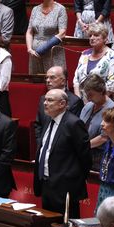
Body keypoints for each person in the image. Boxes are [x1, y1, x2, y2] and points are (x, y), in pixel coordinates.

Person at [34, 89, 91, 218]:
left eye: (50, 100)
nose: (45, 103)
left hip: (65, 188)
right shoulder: (48, 120)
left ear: (62, 104)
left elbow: (85, 157)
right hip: (46, 185)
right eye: (45, 100)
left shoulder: (74, 123)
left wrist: (74, 180)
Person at [35, 66, 84, 146]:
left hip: (63, 148)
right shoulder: (43, 99)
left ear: (63, 81)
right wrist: (40, 143)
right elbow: (38, 124)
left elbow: (74, 129)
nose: (48, 80)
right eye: (46, 78)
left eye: (52, 77)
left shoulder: (75, 101)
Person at [72, 23, 114, 100]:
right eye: (90, 35)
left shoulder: (112, 55)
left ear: (105, 38)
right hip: (81, 99)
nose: (92, 38)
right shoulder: (85, 54)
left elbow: (112, 83)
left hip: (102, 100)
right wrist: (78, 99)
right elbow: (76, 79)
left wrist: (96, 101)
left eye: (96, 35)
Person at [79, 74, 114, 171]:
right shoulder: (88, 106)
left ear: (101, 91)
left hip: (100, 157)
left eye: (90, 94)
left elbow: (104, 137)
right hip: (84, 153)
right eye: (86, 94)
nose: (87, 97)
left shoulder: (113, 109)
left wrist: (82, 146)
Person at [26, 0, 67, 74]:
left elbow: (62, 33)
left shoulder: (60, 9)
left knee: (54, 79)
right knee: (36, 80)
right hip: (35, 53)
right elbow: (29, 32)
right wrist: (29, 49)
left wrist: (44, 48)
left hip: (53, 52)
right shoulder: (35, 9)